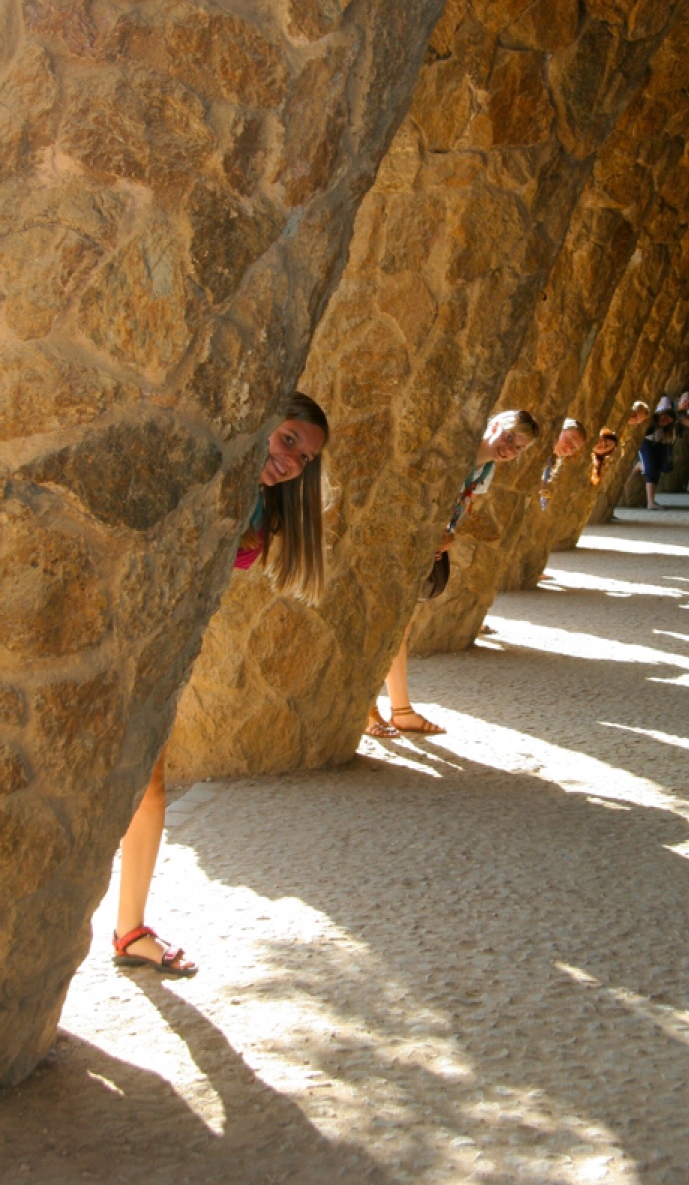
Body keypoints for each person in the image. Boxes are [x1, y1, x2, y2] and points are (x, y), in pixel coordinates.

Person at [112, 392, 329, 976]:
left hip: (165, 649)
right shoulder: (212, 471)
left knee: (149, 784)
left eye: (303, 457)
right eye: (287, 440)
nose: (291, 462)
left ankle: (130, 928)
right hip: (127, 634)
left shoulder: (262, 505)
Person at [367, 409, 539, 738]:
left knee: (397, 625)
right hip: (398, 538)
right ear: (494, 426)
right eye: (509, 438)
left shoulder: (484, 471)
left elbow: (459, 507)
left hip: (424, 545)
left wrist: (445, 536)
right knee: (382, 622)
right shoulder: (456, 451)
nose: (510, 449)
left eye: (518, 448)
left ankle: (399, 709)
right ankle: (370, 708)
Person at [539, 418, 587, 508]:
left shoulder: (550, 464)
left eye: (574, 448)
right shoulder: (537, 454)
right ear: (559, 431)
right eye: (568, 441)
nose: (569, 449)